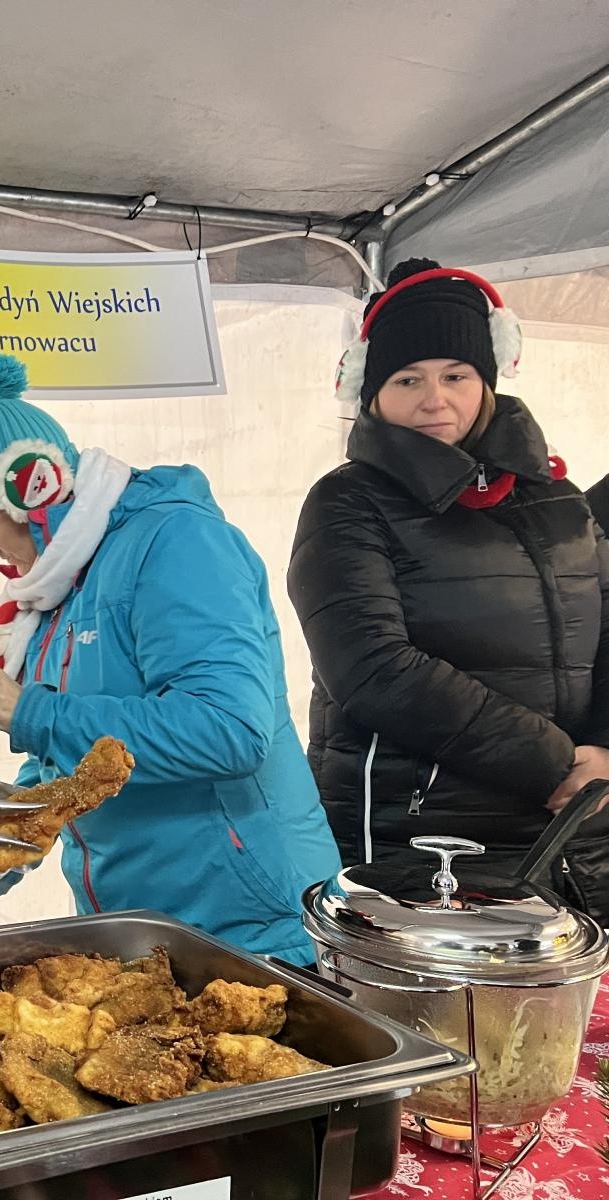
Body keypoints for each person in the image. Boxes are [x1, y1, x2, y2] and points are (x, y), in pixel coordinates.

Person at [0, 354, 339, 964]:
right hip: (136, 934)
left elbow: (228, 730)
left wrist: (34, 712)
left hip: (250, 930)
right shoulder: (58, 588)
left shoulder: (179, 544)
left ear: (34, 488)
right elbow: (66, 764)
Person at [289, 258, 609, 914]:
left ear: (486, 379)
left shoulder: (557, 496)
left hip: (576, 826)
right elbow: (371, 666)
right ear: (372, 391)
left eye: (455, 375)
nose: (435, 399)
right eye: (408, 379)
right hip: (422, 839)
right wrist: (552, 763)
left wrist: (603, 747)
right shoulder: (347, 502)